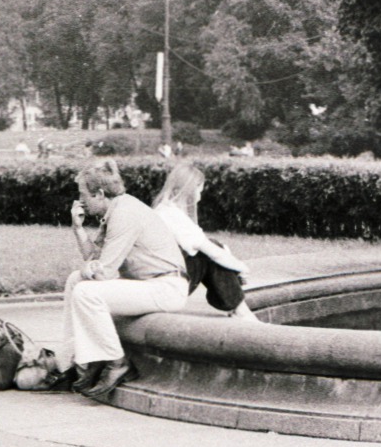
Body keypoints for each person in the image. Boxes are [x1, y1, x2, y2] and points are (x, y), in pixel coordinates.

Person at [57, 161, 188, 397]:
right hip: (148, 285)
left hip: (167, 287)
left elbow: (104, 272)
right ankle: (73, 363)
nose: (80, 201)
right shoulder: (116, 210)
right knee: (75, 280)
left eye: (83, 194)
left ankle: (117, 362)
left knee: (86, 291)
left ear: (99, 193)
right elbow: (94, 258)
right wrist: (78, 229)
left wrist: (90, 269)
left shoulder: (125, 213)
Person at [153, 163, 258, 319]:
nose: (200, 195)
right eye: (199, 189)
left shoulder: (163, 209)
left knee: (215, 248)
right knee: (210, 252)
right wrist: (242, 267)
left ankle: (237, 308)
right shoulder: (172, 215)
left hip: (160, 277)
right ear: (188, 190)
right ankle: (240, 310)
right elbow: (212, 252)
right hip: (166, 284)